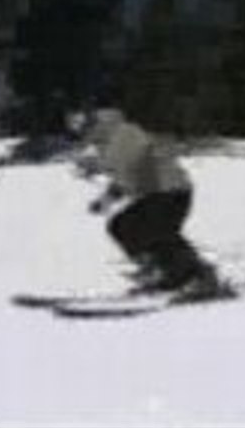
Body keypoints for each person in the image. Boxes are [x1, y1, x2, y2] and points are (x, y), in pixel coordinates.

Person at [68, 106, 229, 302]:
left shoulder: (121, 133)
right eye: (74, 128)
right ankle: (167, 272)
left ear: (91, 122)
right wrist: (105, 196)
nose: (80, 133)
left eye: (80, 126)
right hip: (155, 193)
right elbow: (125, 176)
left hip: (171, 190)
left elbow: (131, 164)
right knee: (122, 226)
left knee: (157, 232)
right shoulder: (106, 142)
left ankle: (200, 277)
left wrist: (98, 168)